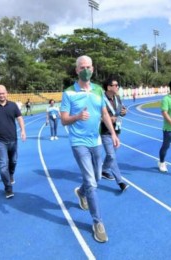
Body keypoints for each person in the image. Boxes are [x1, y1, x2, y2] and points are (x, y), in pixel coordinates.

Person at [60, 55, 120, 243]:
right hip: (79, 142)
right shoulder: (69, 92)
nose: (85, 69)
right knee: (92, 182)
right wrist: (77, 117)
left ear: (93, 69)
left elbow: (104, 113)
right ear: (77, 70)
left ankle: (81, 192)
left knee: (96, 177)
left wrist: (113, 134)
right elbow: (63, 119)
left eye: (88, 66)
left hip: (96, 141)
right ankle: (98, 222)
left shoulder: (98, 90)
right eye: (82, 67)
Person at [100, 78, 129, 192]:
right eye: (115, 85)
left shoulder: (117, 97)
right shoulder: (100, 99)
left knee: (111, 156)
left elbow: (120, 111)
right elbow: (96, 115)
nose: (118, 87)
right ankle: (120, 182)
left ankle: (104, 170)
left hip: (116, 131)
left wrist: (124, 112)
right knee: (112, 156)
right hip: (105, 131)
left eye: (118, 85)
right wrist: (105, 119)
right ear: (108, 87)